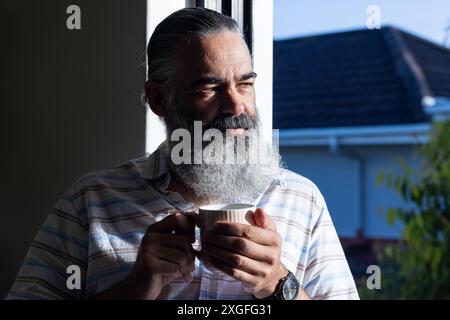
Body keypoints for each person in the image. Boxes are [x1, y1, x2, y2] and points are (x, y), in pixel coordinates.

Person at [7, 8, 359, 300]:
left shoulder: (302, 199)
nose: (236, 104)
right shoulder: (91, 201)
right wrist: (134, 290)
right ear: (159, 99)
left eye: (245, 84)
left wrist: (279, 284)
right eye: (210, 87)